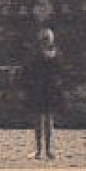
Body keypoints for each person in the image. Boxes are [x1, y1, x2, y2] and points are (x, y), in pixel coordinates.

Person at [19, 26, 65, 159]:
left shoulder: (56, 54)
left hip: (49, 90)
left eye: (47, 38)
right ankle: (39, 150)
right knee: (38, 121)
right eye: (44, 39)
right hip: (38, 89)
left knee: (48, 120)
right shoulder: (34, 54)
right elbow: (26, 71)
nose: (45, 41)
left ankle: (48, 149)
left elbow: (61, 71)